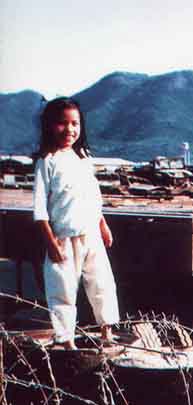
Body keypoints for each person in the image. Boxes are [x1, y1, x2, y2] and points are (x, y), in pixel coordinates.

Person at [33, 97, 119, 350]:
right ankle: (66, 339)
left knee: (102, 282)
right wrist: (50, 243)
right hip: (63, 237)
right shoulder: (46, 161)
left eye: (75, 123)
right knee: (63, 290)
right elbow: (40, 209)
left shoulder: (83, 157)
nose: (69, 129)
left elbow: (93, 197)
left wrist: (102, 224)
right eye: (62, 123)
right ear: (49, 126)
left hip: (91, 233)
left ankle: (107, 331)